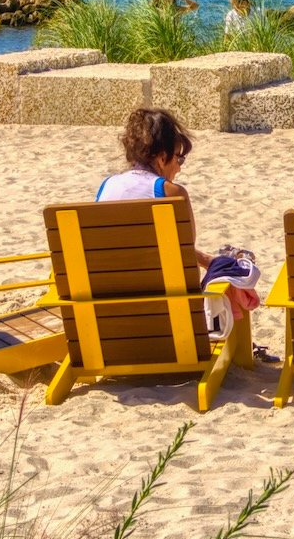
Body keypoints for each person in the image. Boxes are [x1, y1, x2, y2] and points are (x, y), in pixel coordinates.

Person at [96, 108, 271, 358]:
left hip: (109, 318)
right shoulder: (171, 194)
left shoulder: (106, 188)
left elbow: (146, 247)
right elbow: (180, 254)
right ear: (162, 156)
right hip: (166, 318)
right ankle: (243, 357)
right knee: (230, 279)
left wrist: (207, 260)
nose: (179, 168)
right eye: (179, 159)